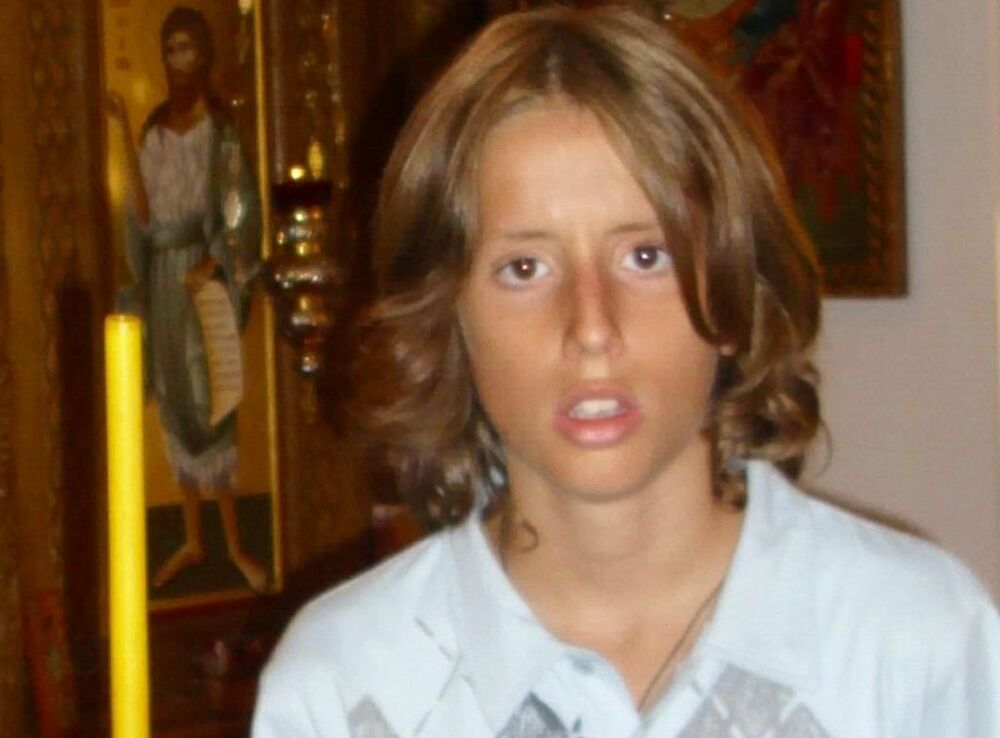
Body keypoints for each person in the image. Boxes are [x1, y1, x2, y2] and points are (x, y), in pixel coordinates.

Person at [252, 5, 1000, 737]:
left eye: (645, 256)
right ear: (447, 316)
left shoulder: (913, 642)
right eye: (524, 267)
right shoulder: (345, 686)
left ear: (732, 286)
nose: (591, 328)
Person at [107, 6, 266, 592]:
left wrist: (215, 261)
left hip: (202, 282)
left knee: (209, 400)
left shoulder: (220, 135)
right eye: (170, 50)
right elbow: (143, 215)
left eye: (188, 49)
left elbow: (240, 211)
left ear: (204, 57)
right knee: (175, 399)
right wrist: (124, 132)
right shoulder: (153, 133)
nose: (179, 61)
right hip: (161, 283)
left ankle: (236, 545)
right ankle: (195, 541)